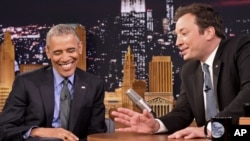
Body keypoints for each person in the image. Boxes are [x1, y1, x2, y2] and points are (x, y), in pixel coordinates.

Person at [111, 3, 250, 139]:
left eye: (184, 33)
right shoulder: (189, 70)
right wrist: (156, 125)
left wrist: (213, 128)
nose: (177, 42)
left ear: (208, 32)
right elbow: (182, 112)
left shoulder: (242, 48)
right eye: (176, 35)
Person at [0, 24, 107, 141]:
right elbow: (4, 129)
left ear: (80, 48)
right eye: (57, 53)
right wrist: (38, 131)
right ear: (48, 52)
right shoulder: (26, 82)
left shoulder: (94, 84)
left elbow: (97, 134)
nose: (65, 58)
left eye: (71, 50)